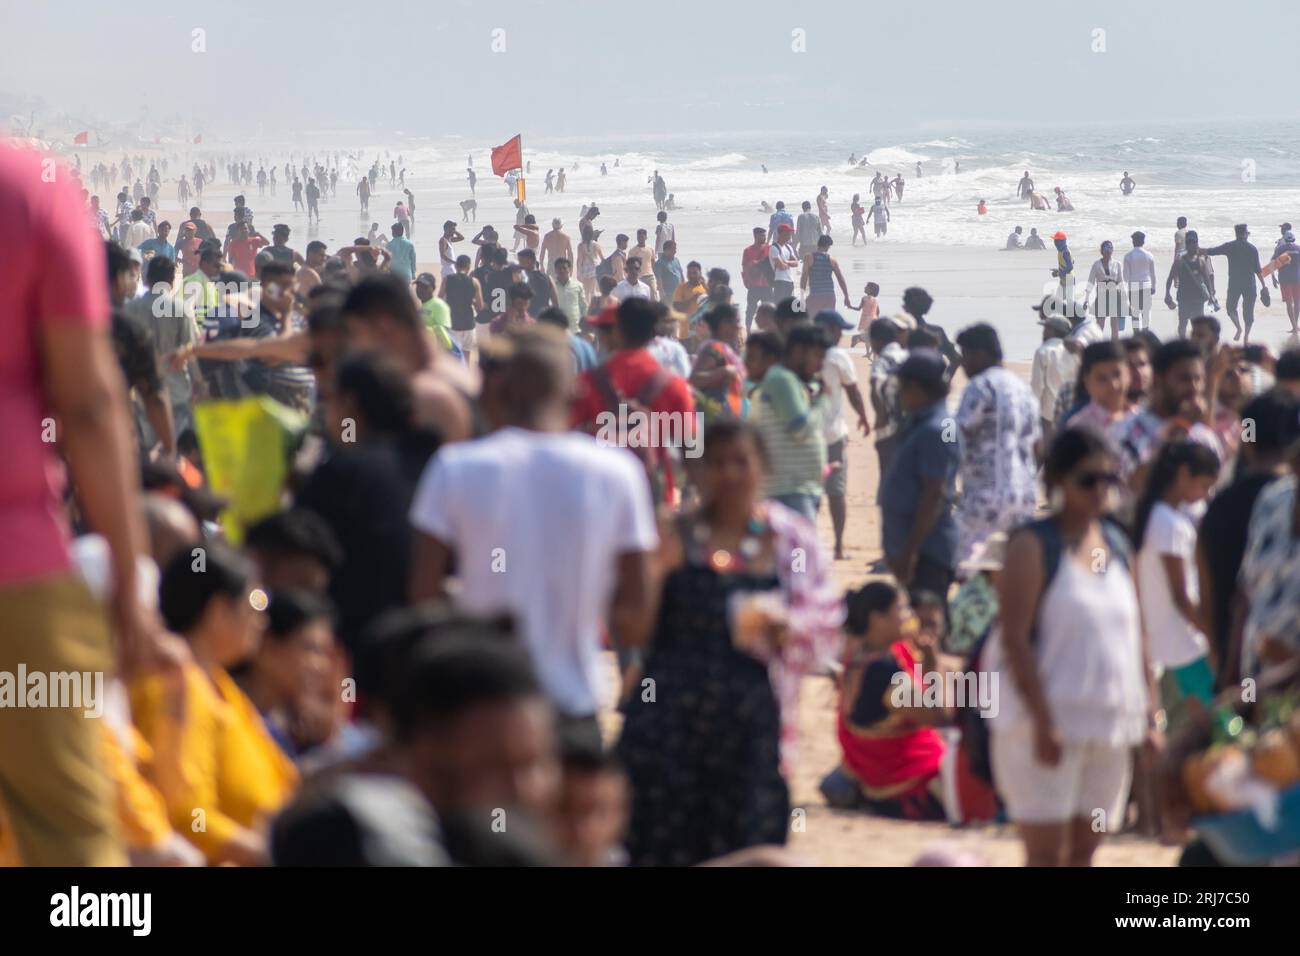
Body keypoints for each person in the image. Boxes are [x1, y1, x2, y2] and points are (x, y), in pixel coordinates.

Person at [0, 146, 166, 866]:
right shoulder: (30, 186)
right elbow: (92, 406)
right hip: (19, 578)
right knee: (70, 844)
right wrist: (132, 583)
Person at [410, 328, 658, 741]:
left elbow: (422, 597)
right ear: (576, 397)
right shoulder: (617, 474)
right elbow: (635, 619)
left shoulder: (454, 468)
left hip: (482, 705)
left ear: (500, 391)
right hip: (574, 708)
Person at [617, 419, 842, 865]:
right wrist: (652, 570)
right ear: (696, 471)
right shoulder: (671, 535)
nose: (730, 473)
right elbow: (632, 628)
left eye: (742, 461)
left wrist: (788, 627)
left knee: (747, 845)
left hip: (750, 730)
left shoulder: (790, 537)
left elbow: (828, 620)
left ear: (763, 468)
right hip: (666, 726)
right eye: (716, 462)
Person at [987, 428, 1152, 866]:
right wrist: (1043, 721)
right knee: (1046, 857)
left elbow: (1138, 635)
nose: (1100, 490)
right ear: (1059, 482)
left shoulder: (1118, 543)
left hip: (1110, 730)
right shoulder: (1033, 545)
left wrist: (1151, 717)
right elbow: (1015, 639)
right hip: (1043, 726)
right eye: (1087, 480)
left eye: (1109, 480)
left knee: (1084, 855)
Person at [132, 545, 299, 865]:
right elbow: (186, 816)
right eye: (255, 602)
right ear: (219, 610)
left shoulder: (217, 683)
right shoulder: (174, 685)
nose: (262, 620)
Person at [819, 582, 947, 818]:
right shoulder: (883, 671)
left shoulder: (860, 656)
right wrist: (934, 662)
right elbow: (937, 715)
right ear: (877, 618)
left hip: (875, 778)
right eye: (903, 609)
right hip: (905, 787)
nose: (910, 617)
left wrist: (928, 658)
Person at [1134, 440, 1220, 735]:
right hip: (1186, 644)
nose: (1206, 494)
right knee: (1222, 725)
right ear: (1184, 475)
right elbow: (1182, 598)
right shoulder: (1168, 523)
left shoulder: (1153, 516)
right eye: (1205, 485)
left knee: (1191, 730)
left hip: (1166, 642)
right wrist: (1212, 636)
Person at [954, 324, 1041, 567]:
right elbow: (1036, 444)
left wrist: (942, 429)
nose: (963, 364)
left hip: (984, 496)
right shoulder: (1024, 390)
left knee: (973, 567)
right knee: (1012, 566)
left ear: (981, 354)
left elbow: (956, 431)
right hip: (1022, 496)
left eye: (966, 355)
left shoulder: (980, 387)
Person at [880, 351, 961, 600]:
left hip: (927, 552)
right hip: (918, 548)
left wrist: (909, 552)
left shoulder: (935, 429)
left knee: (928, 624)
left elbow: (933, 494)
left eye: (902, 386)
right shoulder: (922, 422)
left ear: (916, 387)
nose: (899, 394)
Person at [752, 323, 831, 520]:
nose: (820, 365)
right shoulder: (782, 379)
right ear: (798, 352)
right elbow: (801, 428)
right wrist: (824, 400)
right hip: (788, 490)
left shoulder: (788, 380)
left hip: (798, 488)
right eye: (818, 357)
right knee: (799, 549)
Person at [815, 311, 870, 558]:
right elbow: (854, 391)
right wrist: (864, 416)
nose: (841, 335)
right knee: (836, 492)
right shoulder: (837, 356)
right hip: (833, 435)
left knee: (810, 493)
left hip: (806, 436)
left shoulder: (802, 354)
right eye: (839, 330)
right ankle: (838, 547)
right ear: (829, 329)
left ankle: (809, 546)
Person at [1203, 224, 1270, 342]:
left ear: (1236, 233)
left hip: (1235, 283)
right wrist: (1264, 285)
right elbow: (1258, 270)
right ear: (1245, 234)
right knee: (1248, 311)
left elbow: (1213, 251)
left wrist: (1198, 250)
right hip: (1250, 284)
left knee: (1230, 308)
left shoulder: (1230, 246)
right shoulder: (1252, 248)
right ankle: (1246, 336)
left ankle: (1238, 328)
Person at [1164, 230, 1215, 338]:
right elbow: (1170, 278)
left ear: (1197, 243)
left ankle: (1196, 346)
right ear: (1186, 243)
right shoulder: (1179, 260)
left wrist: (1211, 296)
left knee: (1198, 325)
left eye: (1194, 242)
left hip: (1198, 298)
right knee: (1183, 323)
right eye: (1189, 242)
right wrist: (1167, 294)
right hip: (1183, 298)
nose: (1192, 244)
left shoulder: (1201, 260)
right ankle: (1182, 343)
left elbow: (1207, 279)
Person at [1030, 316, 1072, 439]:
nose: (1043, 333)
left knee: (1049, 452)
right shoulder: (1071, 351)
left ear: (1052, 331)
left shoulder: (1043, 351)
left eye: (1046, 329)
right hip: (1069, 410)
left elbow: (1037, 387)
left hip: (1048, 415)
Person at [800, 234, 852, 316]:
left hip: (815, 296)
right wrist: (846, 296)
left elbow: (804, 277)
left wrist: (802, 294)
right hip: (830, 296)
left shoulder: (809, 257)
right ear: (827, 246)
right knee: (828, 323)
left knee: (812, 321)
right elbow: (841, 279)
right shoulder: (832, 260)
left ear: (818, 244)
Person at [1085, 240, 1126, 339]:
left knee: (1115, 326)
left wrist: (1125, 299)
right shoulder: (1096, 264)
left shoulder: (1117, 264)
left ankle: (1115, 349)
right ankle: (1098, 348)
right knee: (1099, 326)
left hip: (1115, 296)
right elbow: (1090, 282)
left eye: (1110, 248)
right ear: (1102, 251)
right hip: (1102, 296)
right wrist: (1086, 299)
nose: (1108, 251)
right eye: (1106, 248)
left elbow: (1121, 282)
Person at [1123, 231, 1157, 332]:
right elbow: (1153, 274)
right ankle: (1146, 335)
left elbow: (1125, 277)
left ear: (1133, 242)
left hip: (1133, 287)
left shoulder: (1128, 256)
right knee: (1146, 314)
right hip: (1147, 286)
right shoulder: (1149, 255)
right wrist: (1154, 287)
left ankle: (1136, 335)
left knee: (1135, 315)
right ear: (1143, 242)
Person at [740, 226, 774, 329]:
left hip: (767, 284)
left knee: (768, 310)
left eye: (764, 235)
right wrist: (754, 265)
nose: (764, 237)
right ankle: (748, 329)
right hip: (753, 285)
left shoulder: (770, 248)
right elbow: (744, 266)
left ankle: (768, 329)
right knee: (750, 309)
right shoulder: (748, 250)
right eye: (762, 235)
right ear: (755, 236)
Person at [1273, 228, 1300, 333]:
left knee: (1289, 303)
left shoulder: (1280, 249)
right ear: (1294, 239)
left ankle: (1294, 326)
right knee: (1297, 301)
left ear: (1285, 239)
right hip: (1297, 278)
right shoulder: (1298, 248)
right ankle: (1296, 325)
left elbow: (1273, 264)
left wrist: (1273, 277)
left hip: (1284, 279)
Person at [768, 224, 799, 301]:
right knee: (779, 305)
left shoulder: (789, 247)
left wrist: (785, 262)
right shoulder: (774, 247)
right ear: (781, 233)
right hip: (779, 281)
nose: (790, 235)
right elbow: (781, 266)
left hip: (789, 281)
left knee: (788, 306)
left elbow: (796, 263)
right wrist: (788, 264)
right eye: (788, 233)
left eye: (790, 233)